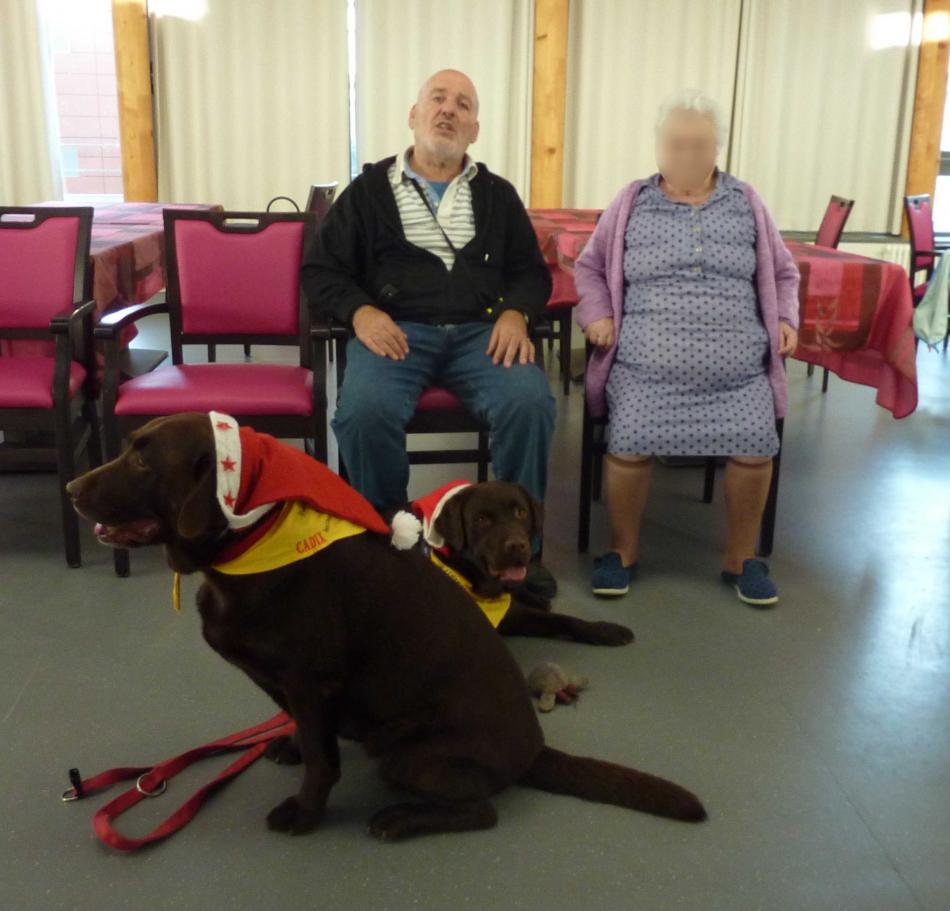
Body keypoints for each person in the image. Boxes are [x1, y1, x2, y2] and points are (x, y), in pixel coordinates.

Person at [301, 69, 557, 595]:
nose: (448, 109)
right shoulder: (369, 192)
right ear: (413, 116)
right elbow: (321, 271)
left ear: (475, 129)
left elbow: (531, 272)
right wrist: (361, 313)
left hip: (480, 334)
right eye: (437, 99)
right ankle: (389, 542)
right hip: (397, 332)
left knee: (529, 401)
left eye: (462, 104)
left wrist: (516, 313)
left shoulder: (498, 195)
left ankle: (518, 556)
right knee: (362, 413)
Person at [574, 90, 800, 607]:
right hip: (646, 371)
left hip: (738, 375)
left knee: (755, 442)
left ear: (718, 147)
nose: (688, 155)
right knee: (627, 439)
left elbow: (785, 272)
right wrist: (599, 314)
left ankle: (740, 559)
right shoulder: (632, 201)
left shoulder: (746, 201)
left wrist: (786, 318)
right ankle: (621, 551)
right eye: (677, 144)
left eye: (700, 145)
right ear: (658, 145)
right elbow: (588, 267)